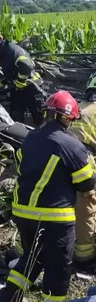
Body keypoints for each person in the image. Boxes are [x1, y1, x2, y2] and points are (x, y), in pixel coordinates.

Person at [0, 90, 96, 302]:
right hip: (55, 219)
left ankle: (7, 298)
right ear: (67, 117)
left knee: (32, 259)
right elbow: (87, 183)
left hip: (24, 215)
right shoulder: (71, 145)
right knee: (59, 268)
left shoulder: (30, 138)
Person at [0, 30, 45, 126]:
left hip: (31, 87)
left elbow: (27, 65)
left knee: (39, 119)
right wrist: (3, 84)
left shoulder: (9, 50)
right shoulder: (5, 52)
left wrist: (20, 81)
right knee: (16, 118)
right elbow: (12, 72)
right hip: (19, 89)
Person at [67, 74, 96, 267]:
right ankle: (84, 256)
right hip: (85, 161)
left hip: (62, 160)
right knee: (86, 206)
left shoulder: (78, 107)